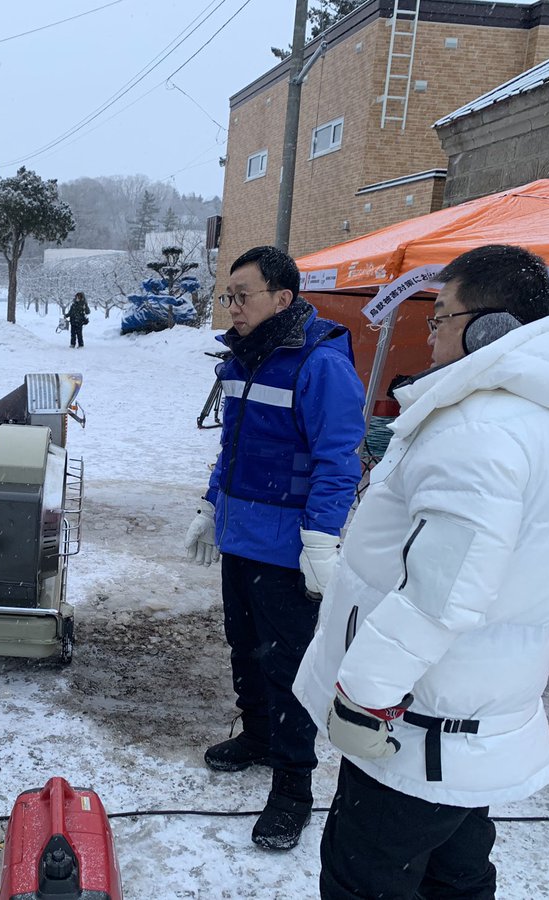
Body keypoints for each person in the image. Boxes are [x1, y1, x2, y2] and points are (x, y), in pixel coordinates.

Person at [293, 244, 549, 899]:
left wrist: (365, 694)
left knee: (363, 880)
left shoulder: (480, 429)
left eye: (441, 316)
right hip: (472, 715)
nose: (430, 334)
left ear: (490, 327)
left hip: (415, 724)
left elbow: (439, 593)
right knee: (456, 877)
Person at [185, 245, 366, 851]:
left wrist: (321, 537)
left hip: (288, 549)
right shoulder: (241, 359)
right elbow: (232, 449)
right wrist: (211, 506)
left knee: (288, 667)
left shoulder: (320, 365)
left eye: (243, 296)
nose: (232, 307)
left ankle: (293, 788)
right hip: (239, 537)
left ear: (282, 298)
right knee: (244, 646)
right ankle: (258, 737)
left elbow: (338, 460)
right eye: (228, 296)